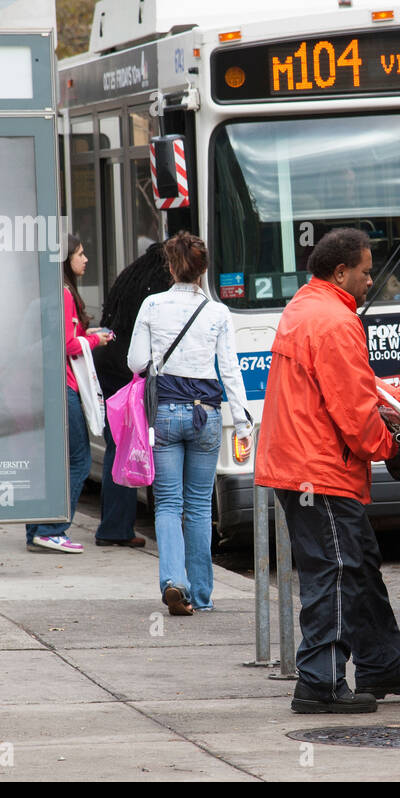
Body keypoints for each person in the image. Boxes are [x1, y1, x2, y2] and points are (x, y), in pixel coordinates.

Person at [256, 227, 400, 714]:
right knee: (337, 572)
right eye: (366, 273)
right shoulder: (335, 322)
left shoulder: (308, 307)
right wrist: (391, 448)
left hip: (302, 463)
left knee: (358, 564)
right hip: (317, 470)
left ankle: (382, 662)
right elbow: (354, 412)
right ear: (341, 272)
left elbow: (356, 387)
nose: (372, 281)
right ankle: (319, 683)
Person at [127, 232, 252, 616]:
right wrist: (243, 425)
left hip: (165, 412)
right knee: (199, 507)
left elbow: (135, 363)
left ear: (170, 266)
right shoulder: (217, 313)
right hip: (207, 415)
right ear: (203, 269)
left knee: (167, 504)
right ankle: (201, 595)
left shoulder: (152, 304)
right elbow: (230, 370)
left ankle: (172, 582)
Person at [25, 235, 112, 553]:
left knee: (53, 460)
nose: (86, 259)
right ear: (66, 261)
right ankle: (53, 528)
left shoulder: (54, 292)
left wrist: (85, 333)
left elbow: (65, 334)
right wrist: (95, 342)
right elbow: (66, 344)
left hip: (51, 386)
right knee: (79, 459)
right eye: (80, 253)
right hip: (65, 388)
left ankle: (37, 529)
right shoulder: (64, 294)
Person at [90, 242, 174, 548]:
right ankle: (117, 527)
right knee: (140, 444)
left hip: (108, 363)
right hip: (129, 371)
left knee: (120, 445)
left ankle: (115, 524)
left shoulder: (130, 275)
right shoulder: (159, 287)